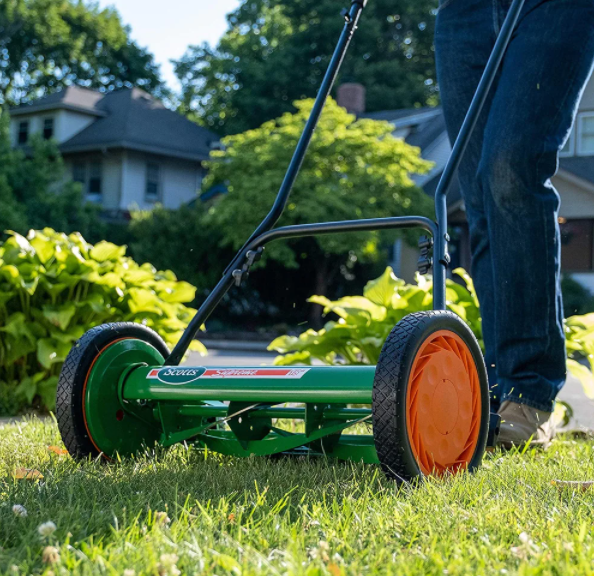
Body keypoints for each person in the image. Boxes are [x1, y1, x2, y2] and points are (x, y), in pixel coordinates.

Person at [434, 0, 594, 446]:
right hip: (464, 12)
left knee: (510, 169)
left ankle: (530, 392)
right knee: (482, 200)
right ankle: (498, 389)